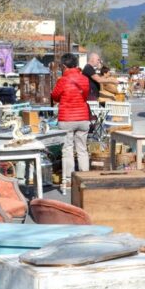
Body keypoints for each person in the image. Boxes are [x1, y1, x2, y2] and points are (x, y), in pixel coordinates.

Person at [51, 53, 91, 193]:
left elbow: (55, 96)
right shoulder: (85, 79)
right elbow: (85, 95)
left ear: (64, 66)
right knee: (82, 149)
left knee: (67, 149)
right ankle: (85, 180)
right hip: (83, 118)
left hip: (67, 118)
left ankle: (67, 181)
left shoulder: (63, 80)